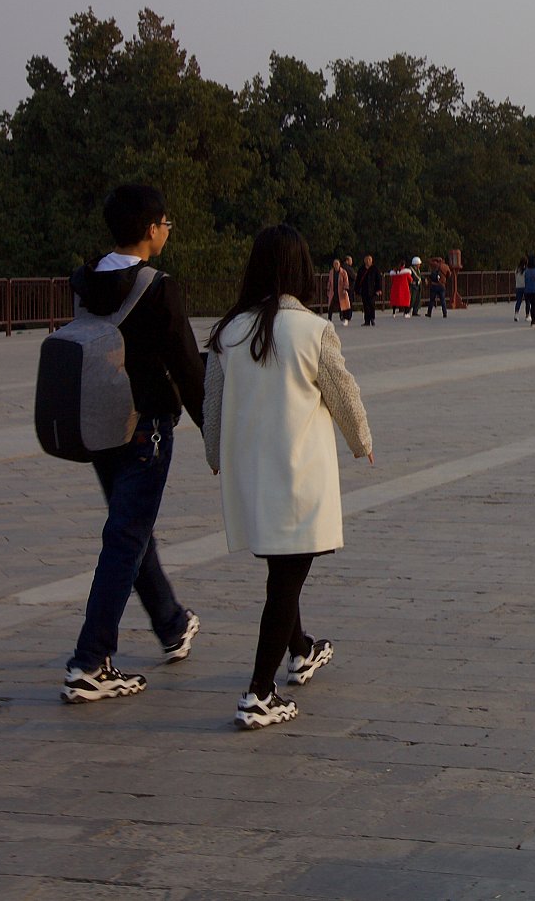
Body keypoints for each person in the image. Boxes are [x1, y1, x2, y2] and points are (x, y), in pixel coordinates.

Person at [205, 225, 372, 729]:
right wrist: (361, 441)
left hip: (250, 476)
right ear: (302, 270)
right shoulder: (312, 330)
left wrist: (214, 455)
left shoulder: (228, 333)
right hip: (298, 475)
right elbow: (343, 393)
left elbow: (212, 406)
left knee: (282, 567)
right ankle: (259, 693)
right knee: (286, 577)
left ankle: (300, 650)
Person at [60, 184, 205, 705]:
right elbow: (187, 368)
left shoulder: (83, 281)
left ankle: (171, 623)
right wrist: (212, 430)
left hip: (99, 425)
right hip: (147, 426)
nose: (167, 231)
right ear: (149, 229)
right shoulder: (158, 287)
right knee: (126, 536)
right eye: (166, 223)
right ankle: (90, 661)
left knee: (130, 527)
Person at [354, 255, 381, 326]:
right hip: (364, 290)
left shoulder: (375, 269)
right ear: (364, 261)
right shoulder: (361, 269)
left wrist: (379, 289)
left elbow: (378, 280)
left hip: (373, 290)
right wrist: (356, 290)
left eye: (369, 260)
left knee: (372, 304)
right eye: (367, 260)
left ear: (371, 261)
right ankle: (367, 321)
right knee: (365, 306)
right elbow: (358, 280)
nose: (368, 261)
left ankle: (372, 318)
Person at [327, 258, 352, 327]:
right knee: (331, 306)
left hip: (341, 291)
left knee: (343, 306)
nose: (336, 265)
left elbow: (346, 281)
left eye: (337, 263)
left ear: (339, 264)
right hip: (333, 291)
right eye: (334, 264)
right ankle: (329, 319)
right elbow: (329, 281)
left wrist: (345, 289)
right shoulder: (331, 272)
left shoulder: (343, 272)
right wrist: (328, 289)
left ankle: (344, 318)